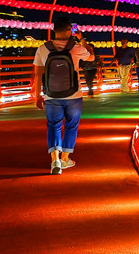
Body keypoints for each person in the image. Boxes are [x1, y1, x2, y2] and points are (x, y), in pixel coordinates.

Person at [33, 17, 94, 175]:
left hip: (51, 95)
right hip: (73, 95)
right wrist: (82, 40)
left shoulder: (43, 48)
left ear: (54, 30)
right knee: (71, 126)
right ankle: (65, 158)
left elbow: (38, 74)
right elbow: (92, 57)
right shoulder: (76, 47)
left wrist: (37, 96)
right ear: (69, 31)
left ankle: (55, 160)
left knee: (53, 125)